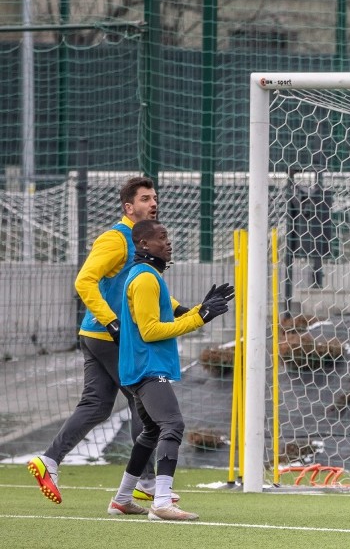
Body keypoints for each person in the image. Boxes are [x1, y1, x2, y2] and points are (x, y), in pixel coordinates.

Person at [28, 176, 177, 505]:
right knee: (145, 403)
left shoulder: (140, 240)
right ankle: (149, 482)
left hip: (97, 336)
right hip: (109, 336)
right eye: (145, 199)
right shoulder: (116, 239)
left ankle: (48, 460)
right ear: (129, 207)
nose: (153, 203)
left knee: (96, 406)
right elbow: (84, 281)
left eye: (154, 197)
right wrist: (111, 321)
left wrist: (184, 310)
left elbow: (140, 288)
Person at [106, 219, 233, 520]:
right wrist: (200, 317)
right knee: (172, 425)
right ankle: (161, 501)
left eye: (168, 236)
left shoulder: (148, 275)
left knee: (151, 431)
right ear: (144, 245)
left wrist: (201, 309)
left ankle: (122, 499)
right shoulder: (146, 279)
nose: (168, 242)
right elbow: (150, 331)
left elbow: (168, 315)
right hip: (148, 367)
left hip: (141, 366)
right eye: (162, 237)